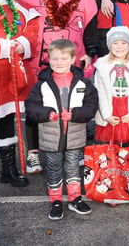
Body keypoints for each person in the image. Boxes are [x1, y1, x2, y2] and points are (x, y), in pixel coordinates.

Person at [17, 0, 98, 174]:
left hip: (71, 57)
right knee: (36, 104)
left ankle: (74, 150)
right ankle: (33, 154)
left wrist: (90, 53)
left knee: (73, 103)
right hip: (37, 60)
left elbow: (91, 24)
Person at [25, 39, 99, 220]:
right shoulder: (42, 83)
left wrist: (75, 114)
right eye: (55, 59)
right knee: (53, 167)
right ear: (48, 59)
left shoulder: (83, 82)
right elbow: (31, 106)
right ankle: (56, 200)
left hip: (74, 135)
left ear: (73, 58)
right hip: (51, 136)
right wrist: (46, 113)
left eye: (64, 58)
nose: (59, 63)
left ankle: (75, 199)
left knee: (73, 167)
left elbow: (91, 105)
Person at [0, 0, 40, 187]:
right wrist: (8, 45)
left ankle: (8, 168)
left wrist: (23, 44)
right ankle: (9, 167)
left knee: (9, 118)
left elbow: (32, 33)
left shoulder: (22, 7)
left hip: (15, 72)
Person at [93, 26, 129, 146]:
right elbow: (100, 92)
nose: (119, 47)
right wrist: (106, 114)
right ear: (109, 45)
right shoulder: (102, 65)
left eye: (124, 43)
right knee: (110, 145)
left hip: (128, 109)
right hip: (111, 108)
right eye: (115, 43)